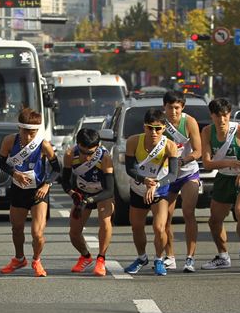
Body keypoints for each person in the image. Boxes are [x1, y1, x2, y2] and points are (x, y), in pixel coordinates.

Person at [200, 98, 240, 272]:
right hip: (224, 177)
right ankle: (223, 256)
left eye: (225, 115)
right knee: (214, 221)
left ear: (229, 114)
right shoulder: (207, 132)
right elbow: (206, 163)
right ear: (212, 116)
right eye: (218, 116)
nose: (222, 120)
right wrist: (228, 163)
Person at [0, 108, 60, 277]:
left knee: (37, 233)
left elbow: (57, 169)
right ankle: (19, 258)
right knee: (16, 228)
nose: (29, 137)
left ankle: (37, 260)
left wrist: (47, 185)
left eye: (33, 133)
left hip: (38, 191)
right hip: (19, 189)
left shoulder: (44, 144)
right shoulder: (9, 141)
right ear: (19, 129)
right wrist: (14, 173)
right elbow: (2, 163)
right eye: (26, 132)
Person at [123, 108, 179, 276]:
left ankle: (159, 259)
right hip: (139, 188)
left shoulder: (170, 145)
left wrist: (156, 184)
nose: (154, 132)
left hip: (160, 189)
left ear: (164, 128)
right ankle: (141, 258)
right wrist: (144, 180)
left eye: (158, 128)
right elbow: (130, 168)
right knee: (137, 226)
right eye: (150, 128)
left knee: (159, 227)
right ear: (144, 127)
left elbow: (173, 175)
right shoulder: (133, 142)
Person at [61, 128, 115, 276]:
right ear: (78, 145)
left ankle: (101, 259)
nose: (86, 157)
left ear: (97, 147)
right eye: (83, 152)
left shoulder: (105, 158)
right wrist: (73, 194)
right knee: (74, 231)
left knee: (104, 221)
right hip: (82, 192)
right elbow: (64, 181)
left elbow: (110, 190)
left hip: (102, 193)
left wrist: (90, 200)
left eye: (90, 153)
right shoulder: (70, 154)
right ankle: (85, 256)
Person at [160, 91, 202, 273]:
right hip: (166, 176)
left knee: (188, 212)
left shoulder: (189, 122)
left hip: (187, 173)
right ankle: (170, 256)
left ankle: (190, 257)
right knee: (165, 217)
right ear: (165, 107)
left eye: (177, 108)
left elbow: (198, 151)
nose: (174, 111)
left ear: (182, 107)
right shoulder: (159, 123)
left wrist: (182, 161)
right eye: (170, 107)